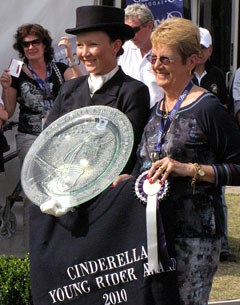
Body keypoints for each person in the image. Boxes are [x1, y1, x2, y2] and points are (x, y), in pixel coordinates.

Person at [0, 23, 83, 166]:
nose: (31, 47)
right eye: (26, 44)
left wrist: (71, 58)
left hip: (60, 134)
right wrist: (6, 88)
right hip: (30, 137)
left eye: (35, 42)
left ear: (44, 45)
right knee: (33, 183)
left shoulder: (59, 68)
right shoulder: (16, 73)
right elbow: (8, 111)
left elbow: (82, 87)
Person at [192, 27, 230, 261]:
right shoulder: (181, 73)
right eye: (195, 48)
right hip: (189, 144)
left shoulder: (216, 75)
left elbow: (224, 108)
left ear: (210, 51)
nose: (199, 52)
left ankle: (222, 244)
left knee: (219, 196)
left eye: (203, 48)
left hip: (213, 145)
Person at [118, 3, 164, 108]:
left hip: (157, 114)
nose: (131, 36)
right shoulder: (124, 49)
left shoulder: (165, 50)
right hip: (128, 111)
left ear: (150, 25)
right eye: (127, 31)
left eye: (134, 30)